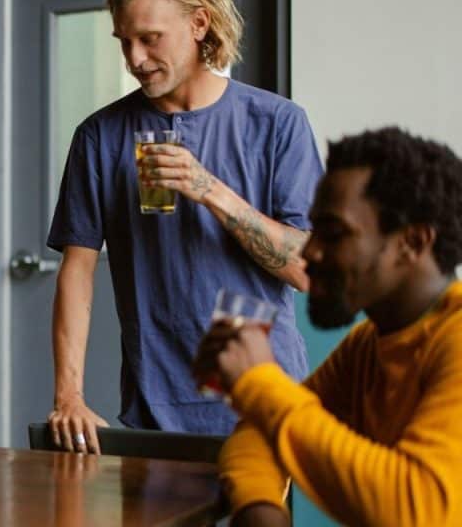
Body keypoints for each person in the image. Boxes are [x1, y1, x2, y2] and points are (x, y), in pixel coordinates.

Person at [47, 0, 323, 451]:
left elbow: (305, 270)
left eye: (150, 38)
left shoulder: (278, 123)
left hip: (262, 398)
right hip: (155, 402)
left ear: (199, 23)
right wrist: (69, 394)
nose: (134, 59)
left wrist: (210, 191)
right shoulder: (99, 136)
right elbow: (77, 269)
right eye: (124, 42)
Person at [198, 127, 462, 526]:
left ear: (413, 242)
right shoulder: (369, 344)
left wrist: (259, 382)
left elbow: (415, 510)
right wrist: (261, 509)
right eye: (315, 230)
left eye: (334, 233)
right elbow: (257, 432)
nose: (311, 252)